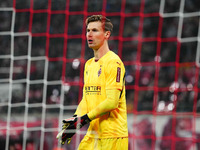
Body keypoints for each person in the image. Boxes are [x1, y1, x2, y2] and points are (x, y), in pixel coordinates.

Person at [57, 15, 128, 150]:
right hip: (93, 134)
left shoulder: (114, 62)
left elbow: (112, 102)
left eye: (95, 30)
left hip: (112, 136)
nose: (89, 34)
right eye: (88, 30)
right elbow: (86, 100)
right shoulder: (89, 64)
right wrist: (75, 121)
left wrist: (84, 119)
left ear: (107, 34)